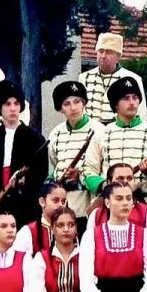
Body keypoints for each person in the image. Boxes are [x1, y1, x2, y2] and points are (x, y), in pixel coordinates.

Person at [87, 76, 147, 203]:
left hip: (146, 201)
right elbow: (88, 169)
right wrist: (106, 186)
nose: (132, 102)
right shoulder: (102, 134)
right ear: (116, 104)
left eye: (135, 98)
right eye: (126, 98)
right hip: (110, 202)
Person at [0, 82, 48, 225]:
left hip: (25, 207)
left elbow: (40, 174)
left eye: (16, 103)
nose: (13, 108)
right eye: (7, 104)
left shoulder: (34, 139)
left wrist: (25, 190)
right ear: (0, 107)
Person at [45, 81, 105, 220]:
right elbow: (55, 165)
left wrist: (80, 176)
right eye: (67, 104)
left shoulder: (100, 130)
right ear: (60, 109)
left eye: (77, 102)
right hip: (62, 204)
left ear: (84, 103)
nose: (73, 108)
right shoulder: (55, 133)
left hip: (88, 200)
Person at [84, 33, 146, 126]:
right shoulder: (84, 77)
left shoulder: (133, 79)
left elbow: (141, 114)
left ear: (118, 56)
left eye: (108, 52)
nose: (103, 56)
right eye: (101, 51)